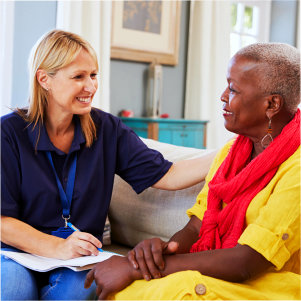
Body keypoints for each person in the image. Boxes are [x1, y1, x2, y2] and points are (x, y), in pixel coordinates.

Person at [1, 29, 211, 300]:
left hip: (77, 260)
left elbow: (169, 174)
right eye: (78, 76)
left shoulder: (107, 129)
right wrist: (56, 246)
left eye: (93, 75)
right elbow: (2, 221)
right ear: (44, 79)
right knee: (13, 291)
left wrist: (231, 151)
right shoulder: (8, 133)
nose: (90, 86)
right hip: (16, 252)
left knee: (79, 293)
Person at [84, 42, 301, 300]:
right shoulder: (230, 154)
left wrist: (133, 269)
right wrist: (162, 252)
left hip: (270, 285)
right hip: (223, 275)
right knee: (124, 290)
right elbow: (195, 228)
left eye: (233, 89)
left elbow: (247, 261)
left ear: (272, 104)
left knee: (177, 290)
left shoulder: (296, 169)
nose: (222, 96)